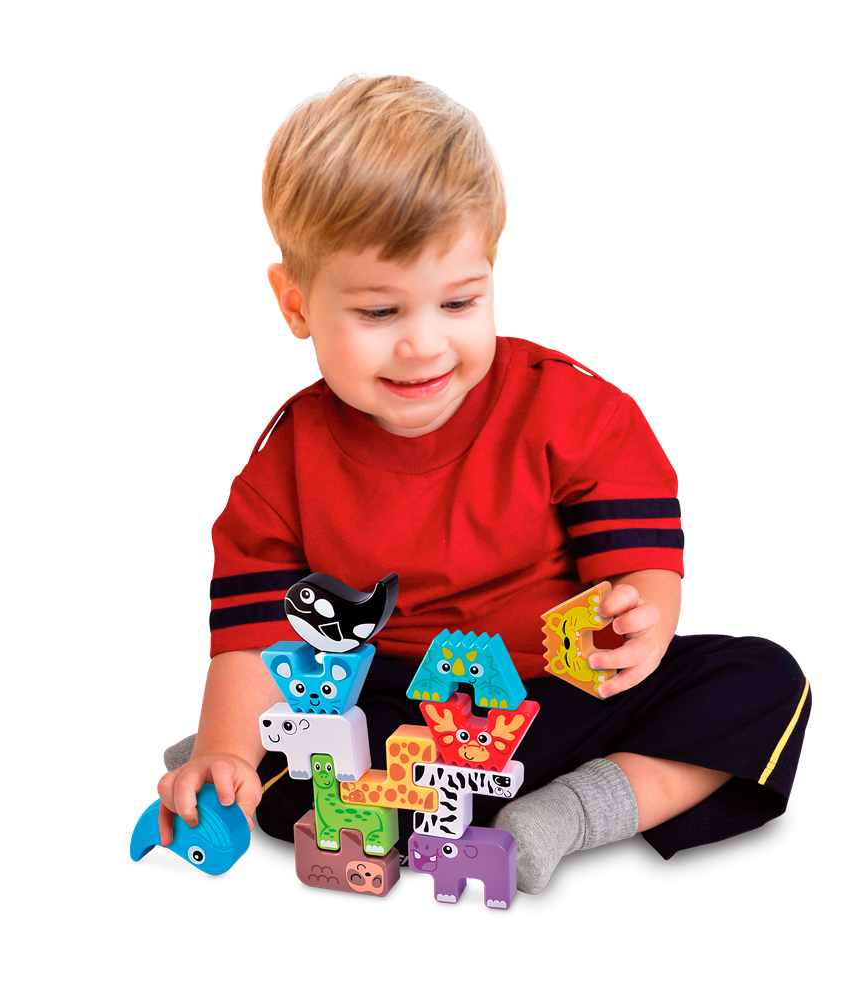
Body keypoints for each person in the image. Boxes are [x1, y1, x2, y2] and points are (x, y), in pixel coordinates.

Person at [156, 73, 811, 894]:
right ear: (296, 304)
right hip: (394, 709)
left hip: (559, 696)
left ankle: (569, 812)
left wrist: (642, 619)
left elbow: (639, 567)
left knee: (762, 682)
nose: (424, 345)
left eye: (460, 302)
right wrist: (229, 743)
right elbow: (255, 635)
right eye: (380, 313)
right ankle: (242, 766)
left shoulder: (568, 408)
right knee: (301, 760)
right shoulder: (284, 463)